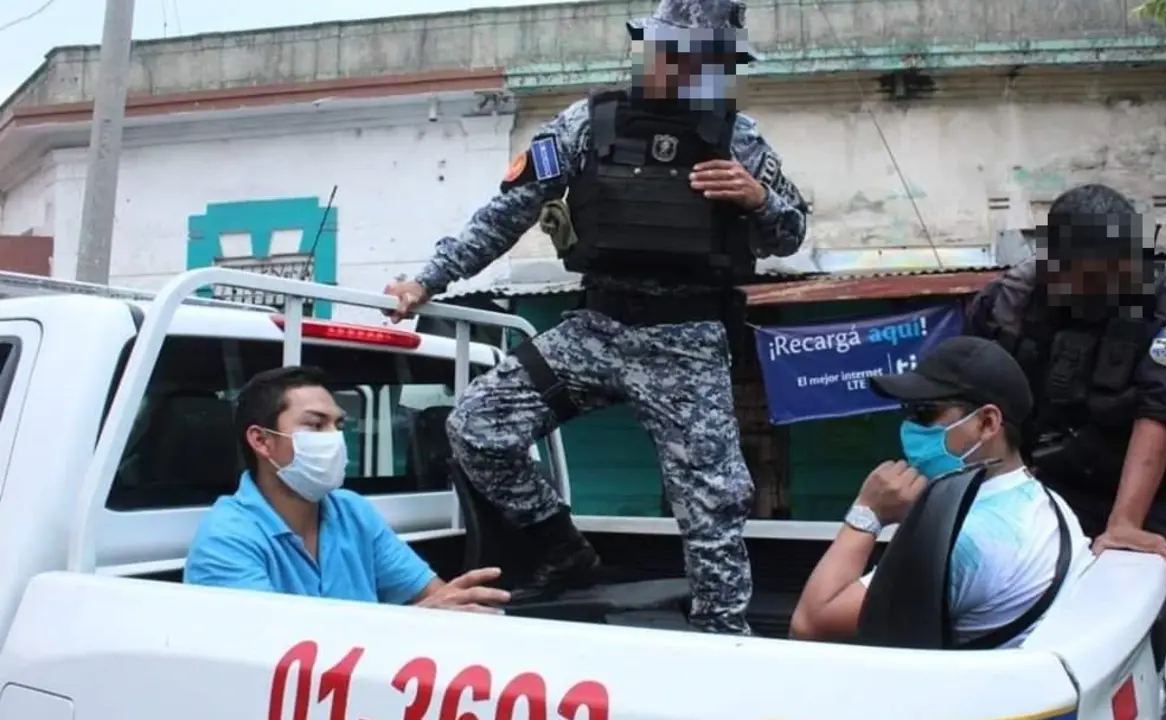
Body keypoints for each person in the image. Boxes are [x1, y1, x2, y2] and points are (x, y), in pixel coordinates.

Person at [381, 0, 808, 636]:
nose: (681, 67)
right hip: (597, 327)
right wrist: (427, 278)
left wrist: (759, 198)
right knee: (477, 426)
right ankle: (559, 547)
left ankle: (725, 634)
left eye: (701, 57)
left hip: (685, 339)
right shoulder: (587, 124)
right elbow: (509, 212)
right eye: (671, 51)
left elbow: (789, 234)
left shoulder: (739, 139)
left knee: (712, 503)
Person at [965, 183, 1166, 719]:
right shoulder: (1006, 305)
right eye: (1097, 274)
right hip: (1050, 482)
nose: (1116, 283)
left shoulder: (1162, 307)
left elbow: (1158, 415)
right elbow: (972, 403)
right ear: (1058, 267)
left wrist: (1123, 524)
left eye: (1123, 267)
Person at [790, 336, 1092, 646]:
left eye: (924, 413)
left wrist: (867, 513)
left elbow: (810, 624)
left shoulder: (962, 541)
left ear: (987, 423)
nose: (910, 427)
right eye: (906, 412)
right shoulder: (1045, 502)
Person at [185, 366, 510, 613]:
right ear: (261, 441)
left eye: (338, 425)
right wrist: (416, 621)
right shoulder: (226, 540)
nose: (334, 437)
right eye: (315, 425)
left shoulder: (351, 511)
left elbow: (434, 596)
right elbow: (282, 661)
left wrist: (453, 605)